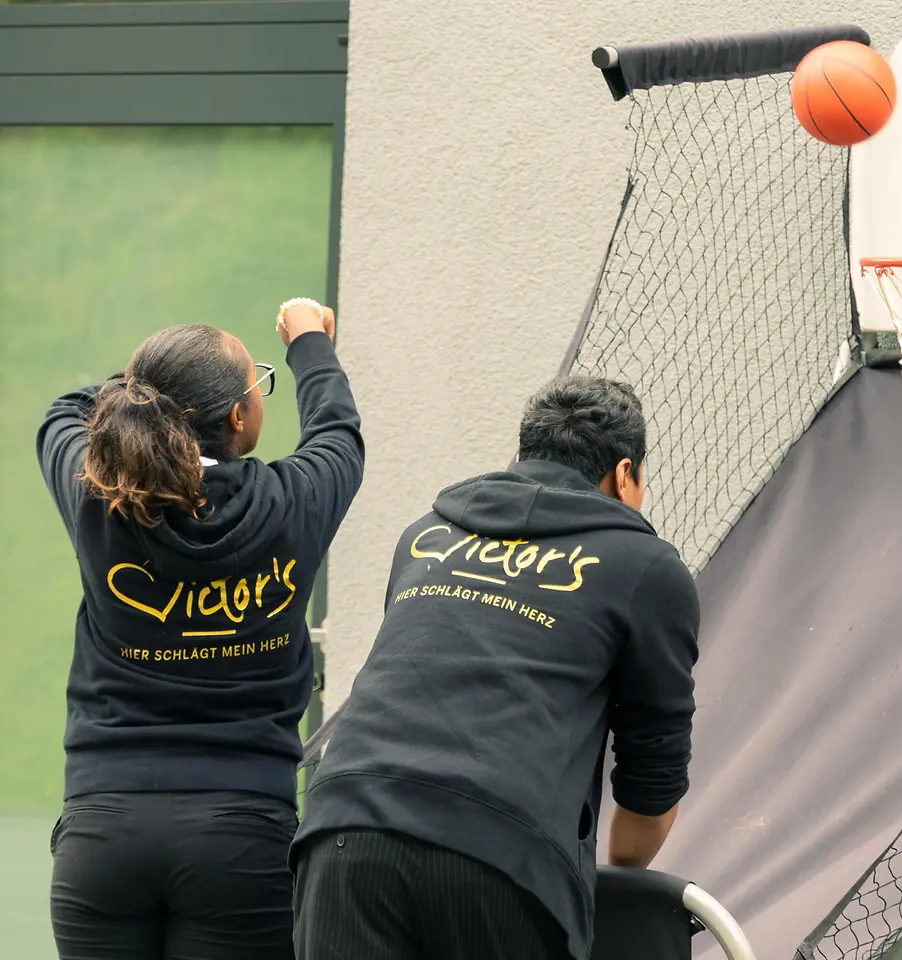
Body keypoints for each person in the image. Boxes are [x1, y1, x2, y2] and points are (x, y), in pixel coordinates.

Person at [293, 375, 699, 960]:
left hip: (342, 829)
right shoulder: (646, 567)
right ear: (624, 474)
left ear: (522, 454)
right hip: (500, 851)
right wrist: (616, 879)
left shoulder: (426, 535)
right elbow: (651, 778)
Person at [37, 300, 364, 960]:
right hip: (242, 839)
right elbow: (339, 433)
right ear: (238, 417)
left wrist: (145, 383)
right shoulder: (292, 503)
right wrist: (309, 344)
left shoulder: (98, 499)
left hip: (104, 833)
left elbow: (63, 411)